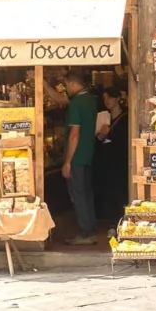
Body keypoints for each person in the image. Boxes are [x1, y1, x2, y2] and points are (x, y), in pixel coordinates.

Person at [61, 69, 100, 244]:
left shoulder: (76, 103)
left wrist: (67, 161)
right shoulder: (91, 100)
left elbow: (74, 134)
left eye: (66, 85)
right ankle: (90, 229)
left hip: (76, 157)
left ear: (72, 83)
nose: (66, 89)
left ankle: (85, 233)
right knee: (86, 193)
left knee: (78, 195)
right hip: (88, 154)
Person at [93, 88, 130, 224]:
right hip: (106, 162)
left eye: (109, 97)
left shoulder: (125, 118)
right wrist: (101, 135)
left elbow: (123, 141)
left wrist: (109, 134)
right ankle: (112, 222)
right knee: (109, 192)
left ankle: (121, 222)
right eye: (104, 98)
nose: (107, 101)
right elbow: (97, 141)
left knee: (120, 192)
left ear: (117, 99)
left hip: (120, 161)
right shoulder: (103, 118)